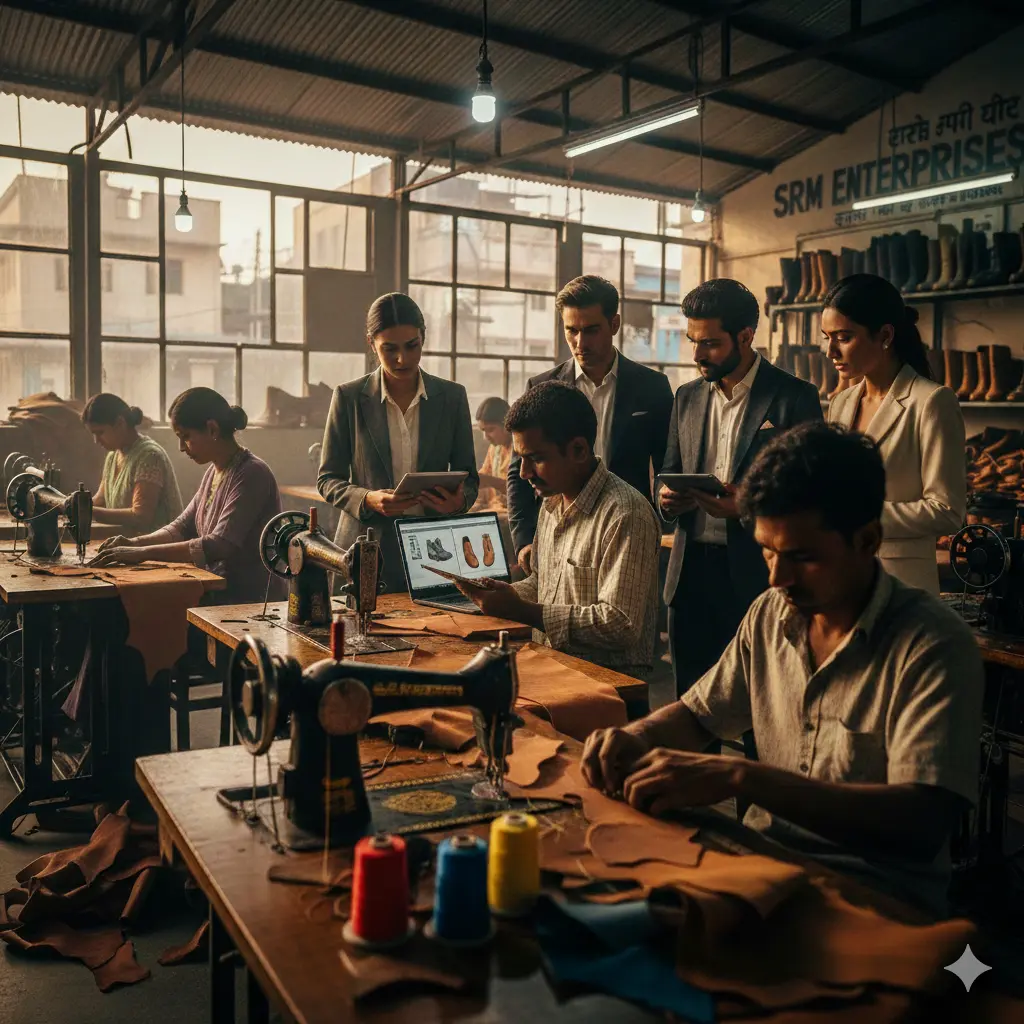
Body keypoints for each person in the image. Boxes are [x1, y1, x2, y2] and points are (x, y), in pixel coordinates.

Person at [582, 423, 982, 915]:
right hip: (766, 864)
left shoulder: (932, 645)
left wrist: (742, 778)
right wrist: (637, 738)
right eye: (767, 552)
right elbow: (697, 716)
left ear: (868, 540)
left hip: (874, 899)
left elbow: (921, 823)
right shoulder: (772, 614)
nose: (777, 577)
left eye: (801, 558)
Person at [660, 279, 822, 698]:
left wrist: (746, 509)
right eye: (692, 341)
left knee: (762, 708)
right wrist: (667, 501)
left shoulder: (795, 398)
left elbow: (810, 499)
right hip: (690, 575)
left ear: (746, 336)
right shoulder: (686, 397)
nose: (697, 354)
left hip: (759, 576)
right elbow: (670, 471)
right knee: (690, 706)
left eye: (710, 343)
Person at [453, 381, 660, 681]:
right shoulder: (552, 504)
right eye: (521, 459)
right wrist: (503, 595)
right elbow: (546, 585)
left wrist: (523, 611)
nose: (524, 474)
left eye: (536, 459)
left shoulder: (626, 514)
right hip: (555, 673)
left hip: (609, 691)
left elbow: (620, 625)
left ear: (578, 450)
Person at [507, 275, 673, 575]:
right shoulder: (541, 386)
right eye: (571, 331)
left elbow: (667, 466)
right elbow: (519, 473)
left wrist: (662, 516)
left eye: (591, 330)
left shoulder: (653, 387)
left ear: (614, 324)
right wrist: (523, 541)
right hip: (558, 531)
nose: (580, 343)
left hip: (626, 531)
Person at [317, 292, 479, 592]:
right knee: (355, 635)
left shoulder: (452, 397)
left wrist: (459, 502)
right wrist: (368, 499)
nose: (402, 359)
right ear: (371, 344)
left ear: (424, 338)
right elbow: (328, 479)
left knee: (436, 634)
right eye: (389, 349)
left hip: (434, 548)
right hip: (364, 547)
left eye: (411, 346)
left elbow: (469, 478)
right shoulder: (349, 397)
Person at [824, 274, 966, 594]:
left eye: (843, 337)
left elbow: (947, 511)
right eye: (827, 337)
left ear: (885, 335)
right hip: (842, 581)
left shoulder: (932, 401)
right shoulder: (841, 403)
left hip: (903, 587)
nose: (831, 350)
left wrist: (863, 517)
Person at [90, 388, 284, 606]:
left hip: (250, 600)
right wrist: (132, 543)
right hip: (218, 588)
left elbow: (219, 544)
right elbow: (182, 526)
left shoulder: (251, 473)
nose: (181, 447)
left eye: (186, 437)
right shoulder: (214, 471)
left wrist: (139, 553)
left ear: (212, 429)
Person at [80, 393, 183, 535]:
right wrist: (74, 504)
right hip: (133, 545)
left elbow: (140, 516)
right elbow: (101, 500)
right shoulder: (112, 457)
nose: (96, 440)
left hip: (158, 547)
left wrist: (87, 511)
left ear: (120, 423)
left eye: (100, 432)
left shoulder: (149, 456)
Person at [470, 396, 512, 512]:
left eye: (491, 430)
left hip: (512, 512)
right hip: (493, 506)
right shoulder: (494, 448)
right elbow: (484, 476)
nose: (486, 437)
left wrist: (491, 481)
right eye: (483, 431)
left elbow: (523, 492)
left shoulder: (520, 450)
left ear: (507, 425)